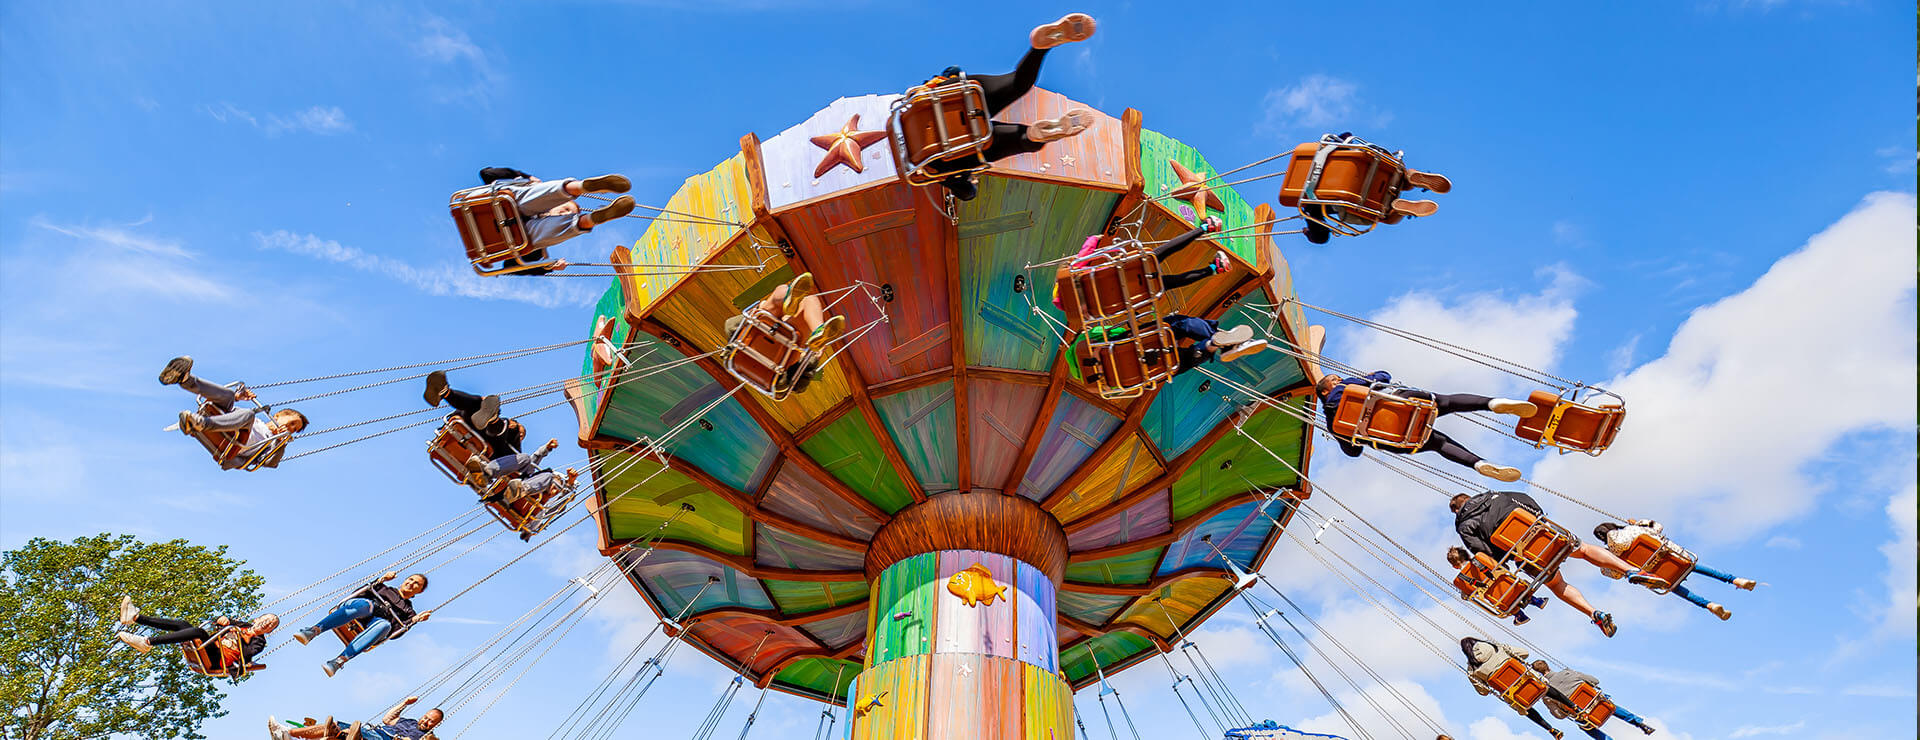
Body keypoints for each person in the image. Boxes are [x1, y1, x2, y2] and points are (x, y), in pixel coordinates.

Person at [920, 13, 1099, 201]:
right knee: (1016, 84)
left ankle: (1036, 135)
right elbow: (953, 70)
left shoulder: (924, 167)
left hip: (940, 153)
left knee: (1022, 139)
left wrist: (967, 184)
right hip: (948, 97)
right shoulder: (904, 108)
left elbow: (966, 193)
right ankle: (1040, 48)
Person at [1451, 491, 1652, 638]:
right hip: (1544, 535)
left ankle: (1594, 613)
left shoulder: (1464, 526)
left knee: (1557, 585)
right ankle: (1631, 571)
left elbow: (1484, 553)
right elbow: (1529, 503)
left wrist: (1507, 556)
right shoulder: (1497, 495)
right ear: (1469, 497)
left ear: (1457, 511)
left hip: (1527, 558)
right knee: (1584, 551)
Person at [1315, 370, 1532, 482]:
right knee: (1447, 402)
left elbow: (1353, 451)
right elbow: (1384, 376)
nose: (1339, 379)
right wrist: (1369, 376)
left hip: (1398, 438)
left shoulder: (1333, 425)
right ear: (1326, 391)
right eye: (1335, 379)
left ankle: (1478, 464)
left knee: (1439, 444)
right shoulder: (1346, 385)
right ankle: (1492, 403)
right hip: (1403, 406)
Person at [1053, 216, 1235, 322]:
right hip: (1128, 272)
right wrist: (1094, 238)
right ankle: (1205, 227)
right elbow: (1086, 253)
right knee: (1162, 252)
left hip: (1135, 294)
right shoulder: (1070, 278)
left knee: (1170, 282)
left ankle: (1213, 269)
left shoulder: (1082, 312)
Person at [470, 167, 636, 274]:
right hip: (500, 205)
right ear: (558, 205)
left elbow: (510, 268)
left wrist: (545, 266)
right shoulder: (532, 194)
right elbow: (487, 173)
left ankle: (589, 220)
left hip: (517, 237)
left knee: (537, 238)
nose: (563, 214)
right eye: (565, 210)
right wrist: (527, 178)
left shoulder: (539, 245)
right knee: (524, 197)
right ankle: (580, 187)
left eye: (567, 214)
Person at [160, 356, 308, 470]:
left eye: (294, 430)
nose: (291, 429)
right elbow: (233, 410)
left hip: (236, 441)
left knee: (248, 415)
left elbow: (270, 464)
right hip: (225, 421)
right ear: (278, 415)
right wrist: (237, 397)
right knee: (229, 396)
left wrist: (281, 442)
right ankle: (186, 380)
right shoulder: (259, 422)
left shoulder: (272, 443)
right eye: (292, 423)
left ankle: (200, 423)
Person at [1593, 520, 1758, 620]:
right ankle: (1736, 581)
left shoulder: (1611, 556)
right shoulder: (1634, 529)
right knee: (1693, 566)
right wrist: (1635, 523)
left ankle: (1710, 605)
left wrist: (1602, 557)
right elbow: (1657, 526)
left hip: (1660, 577)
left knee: (1674, 587)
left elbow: (1613, 573)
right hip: (1674, 559)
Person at [722, 272, 847, 395]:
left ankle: (814, 327)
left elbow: (731, 326)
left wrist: (759, 309)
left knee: (777, 298)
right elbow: (799, 385)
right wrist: (813, 357)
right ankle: (818, 330)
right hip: (782, 358)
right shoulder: (794, 327)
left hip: (754, 344)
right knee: (809, 300)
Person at [292, 572, 431, 677]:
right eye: (411, 579)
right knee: (366, 605)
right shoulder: (383, 588)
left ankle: (339, 661)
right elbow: (358, 593)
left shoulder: (409, 612)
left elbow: (394, 633)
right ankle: (314, 631)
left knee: (385, 625)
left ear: (420, 591)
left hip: (373, 624)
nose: (411, 583)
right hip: (360, 608)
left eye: (416, 584)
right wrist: (381, 579)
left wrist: (414, 621)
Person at [115, 596, 277, 670]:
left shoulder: (259, 642)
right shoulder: (242, 624)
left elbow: (246, 653)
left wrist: (245, 636)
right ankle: (135, 617)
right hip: (211, 645)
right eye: (266, 619)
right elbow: (218, 621)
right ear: (257, 618)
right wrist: (221, 619)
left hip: (219, 658)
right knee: (182, 624)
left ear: (269, 631)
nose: (267, 623)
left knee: (198, 632)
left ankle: (147, 642)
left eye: (271, 625)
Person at [1461, 637, 1563, 739]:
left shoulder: (1472, 669)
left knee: (1524, 708)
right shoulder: (1498, 648)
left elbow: (1483, 691)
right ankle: (1574, 707)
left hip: (1515, 695)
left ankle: (1550, 729)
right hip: (1528, 681)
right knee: (1545, 687)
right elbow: (1525, 653)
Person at [1531, 660, 1655, 738]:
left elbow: (1558, 715)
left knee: (1586, 728)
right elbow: (1595, 681)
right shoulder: (1568, 673)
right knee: (1610, 706)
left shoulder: (1547, 693)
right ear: (1548, 666)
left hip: (1584, 715)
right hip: (1596, 703)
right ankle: (1639, 723)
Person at [423, 370, 524, 460]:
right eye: (521, 431)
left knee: (501, 425)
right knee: (477, 402)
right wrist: (482, 403)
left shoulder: (514, 447)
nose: (520, 435)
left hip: (490, 441)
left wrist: (514, 428)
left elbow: (515, 457)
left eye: (522, 436)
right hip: (470, 424)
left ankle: (493, 420)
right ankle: (444, 392)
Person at [1444, 546, 1548, 626]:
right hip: (1514, 587)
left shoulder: (1459, 581)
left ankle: (1519, 615)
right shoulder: (1480, 557)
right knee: (1512, 585)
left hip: (1502, 602)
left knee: (1499, 599)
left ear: (1454, 566)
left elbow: (1467, 595)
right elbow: (1497, 565)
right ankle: (1536, 601)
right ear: (1467, 555)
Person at [268, 696, 444, 740]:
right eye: (426, 717)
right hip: (375, 731)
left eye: (431, 721)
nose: (426, 721)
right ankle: (286, 733)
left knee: (349, 732)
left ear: (436, 725)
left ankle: (344, 734)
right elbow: (387, 719)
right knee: (334, 726)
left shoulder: (425, 737)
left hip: (383, 739)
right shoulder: (411, 721)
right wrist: (405, 702)